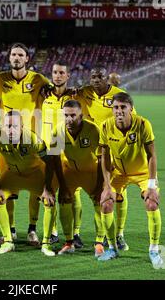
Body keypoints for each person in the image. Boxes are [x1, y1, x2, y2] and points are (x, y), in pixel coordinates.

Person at [0, 42, 51, 245]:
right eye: (13, 54)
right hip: (6, 145)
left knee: (36, 190)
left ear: (27, 59)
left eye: (20, 55)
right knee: (7, 190)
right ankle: (12, 230)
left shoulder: (39, 80)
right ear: (9, 58)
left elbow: (54, 96)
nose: (16, 58)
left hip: (32, 143)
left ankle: (32, 230)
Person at [97, 92, 163, 268]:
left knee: (152, 203)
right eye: (115, 107)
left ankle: (154, 249)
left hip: (142, 173)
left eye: (123, 107)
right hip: (119, 173)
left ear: (131, 109)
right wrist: (107, 185)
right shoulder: (105, 126)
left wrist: (151, 185)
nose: (119, 111)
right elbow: (104, 157)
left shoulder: (142, 124)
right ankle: (112, 248)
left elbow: (152, 156)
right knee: (105, 203)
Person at [75, 67, 135, 251]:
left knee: (117, 193)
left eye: (100, 77)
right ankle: (76, 234)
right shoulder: (84, 92)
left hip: (113, 151)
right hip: (88, 150)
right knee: (79, 190)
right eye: (93, 77)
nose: (96, 80)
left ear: (107, 78)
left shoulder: (120, 94)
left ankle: (119, 234)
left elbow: (130, 119)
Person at [0, 110, 56, 256]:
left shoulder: (32, 139)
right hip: (13, 174)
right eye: (7, 126)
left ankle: (46, 244)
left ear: (22, 126)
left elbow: (50, 161)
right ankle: (8, 242)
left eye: (15, 126)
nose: (11, 130)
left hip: (35, 174)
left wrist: (48, 188)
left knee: (49, 201)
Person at [48, 100, 105, 257]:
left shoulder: (93, 130)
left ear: (81, 116)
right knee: (64, 199)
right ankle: (68, 242)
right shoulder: (58, 131)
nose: (69, 119)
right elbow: (54, 158)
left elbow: (102, 158)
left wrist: (101, 185)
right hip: (71, 172)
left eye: (73, 115)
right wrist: (63, 184)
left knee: (101, 202)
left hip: (91, 171)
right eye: (66, 115)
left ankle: (99, 243)